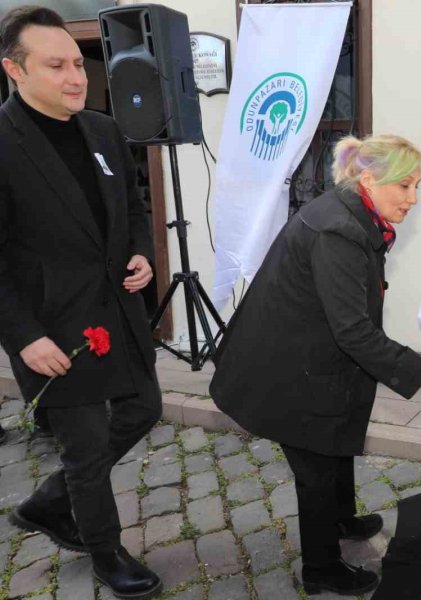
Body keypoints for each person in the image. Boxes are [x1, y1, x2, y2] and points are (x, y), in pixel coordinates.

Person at [210, 134, 421, 596]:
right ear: (368, 179)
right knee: (317, 465)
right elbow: (353, 331)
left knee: (335, 441)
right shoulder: (338, 230)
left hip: (308, 351)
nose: (413, 198)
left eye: (417, 186)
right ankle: (321, 568)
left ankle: (341, 520)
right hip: (284, 365)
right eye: (404, 186)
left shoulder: (353, 212)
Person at [0, 7, 162, 598]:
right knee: (87, 448)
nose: (77, 75)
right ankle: (106, 553)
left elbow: (134, 208)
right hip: (53, 329)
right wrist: (22, 336)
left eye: (77, 61)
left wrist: (142, 252)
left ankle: (47, 502)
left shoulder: (103, 130)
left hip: (118, 312)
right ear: (13, 70)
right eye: (57, 64)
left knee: (144, 408)